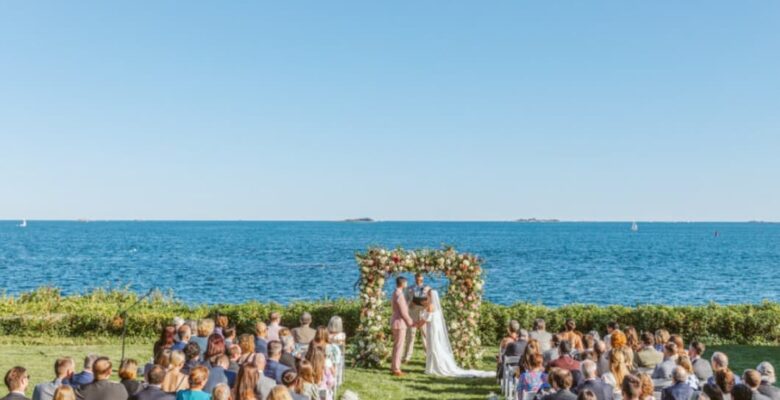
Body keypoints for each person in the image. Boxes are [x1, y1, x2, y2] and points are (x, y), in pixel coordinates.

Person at [421, 288, 495, 378]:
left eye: (427, 295)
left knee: (434, 348)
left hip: (432, 330)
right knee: (435, 347)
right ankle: (433, 367)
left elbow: (426, 319)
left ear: (430, 296)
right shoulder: (434, 306)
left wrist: (416, 321)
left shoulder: (430, 306)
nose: (426, 296)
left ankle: (434, 367)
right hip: (434, 329)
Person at [390, 276, 414, 377]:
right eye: (406, 283)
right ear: (403, 283)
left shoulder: (395, 292)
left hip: (396, 321)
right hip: (400, 323)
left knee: (397, 345)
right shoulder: (399, 294)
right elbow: (403, 311)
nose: (407, 284)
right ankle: (396, 368)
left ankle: (394, 366)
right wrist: (410, 321)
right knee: (399, 346)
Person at [403, 273, 429, 363]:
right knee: (410, 335)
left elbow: (430, 303)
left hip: (423, 314)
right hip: (412, 313)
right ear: (415, 278)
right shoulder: (408, 289)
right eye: (418, 279)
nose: (419, 281)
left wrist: (425, 304)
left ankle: (428, 356)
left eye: (421, 280)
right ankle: (407, 357)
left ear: (423, 279)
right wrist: (410, 304)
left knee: (425, 335)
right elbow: (404, 302)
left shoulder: (427, 288)